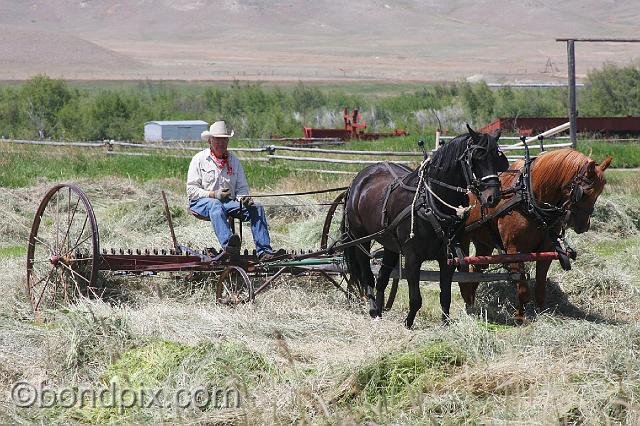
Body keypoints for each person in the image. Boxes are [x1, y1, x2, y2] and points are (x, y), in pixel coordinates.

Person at [187, 120, 284, 260]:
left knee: (256, 208)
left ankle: (264, 251)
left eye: (224, 140)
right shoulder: (199, 159)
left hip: (227, 202)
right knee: (215, 204)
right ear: (210, 141)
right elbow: (191, 190)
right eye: (218, 140)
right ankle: (229, 246)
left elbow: (242, 188)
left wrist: (243, 198)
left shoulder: (234, 161)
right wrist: (213, 194)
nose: (221, 144)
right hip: (201, 202)